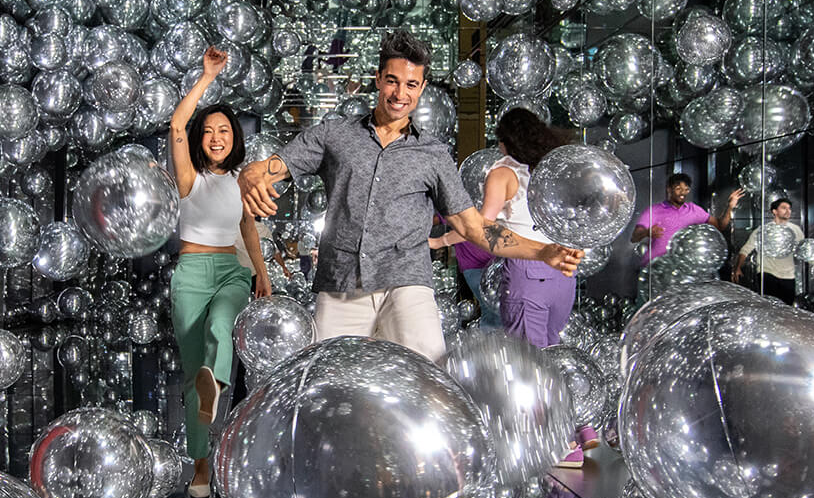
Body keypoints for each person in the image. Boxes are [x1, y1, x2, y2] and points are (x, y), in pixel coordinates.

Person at [238, 33, 582, 362]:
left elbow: (474, 227)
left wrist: (542, 251)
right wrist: (252, 175)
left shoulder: (432, 153)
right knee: (329, 388)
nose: (400, 93)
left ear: (421, 88)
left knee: (431, 381)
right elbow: (273, 167)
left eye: (411, 84)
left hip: (407, 285)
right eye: (392, 80)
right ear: (377, 79)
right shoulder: (334, 135)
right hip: (342, 282)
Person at [168, 46, 272, 498]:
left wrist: (261, 273)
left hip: (231, 271)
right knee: (193, 381)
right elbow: (176, 125)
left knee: (221, 324)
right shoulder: (189, 177)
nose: (215, 137)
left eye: (224, 130)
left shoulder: (239, 180)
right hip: (190, 273)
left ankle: (218, 379)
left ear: (235, 138)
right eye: (208, 131)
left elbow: (248, 226)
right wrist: (207, 77)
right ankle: (201, 465)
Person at [434, 107, 578, 348]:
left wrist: (440, 241)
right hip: (564, 269)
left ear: (503, 142)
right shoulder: (552, 171)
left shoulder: (503, 173)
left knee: (529, 359)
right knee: (554, 352)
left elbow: (482, 226)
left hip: (528, 267)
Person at [632, 172, 742, 261]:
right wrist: (647, 233)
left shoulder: (694, 210)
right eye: (678, 188)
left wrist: (729, 206)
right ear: (669, 189)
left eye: (686, 189)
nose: (683, 192)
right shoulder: (654, 210)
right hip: (655, 269)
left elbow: (720, 225)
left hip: (681, 270)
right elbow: (634, 237)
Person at [734, 196, 808, 304]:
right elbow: (746, 249)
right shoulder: (763, 230)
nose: (788, 211)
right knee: (769, 308)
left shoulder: (795, 230)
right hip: (767, 274)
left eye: (789, 208)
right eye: (784, 208)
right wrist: (738, 267)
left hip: (788, 276)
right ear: (775, 211)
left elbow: (804, 250)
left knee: (787, 310)